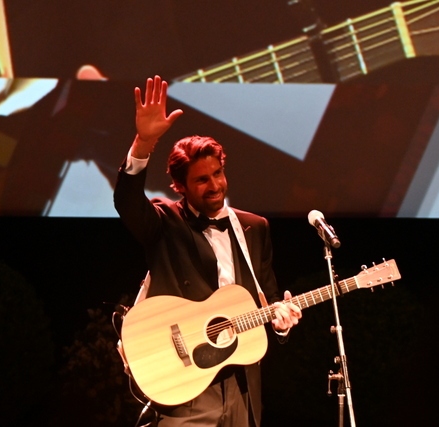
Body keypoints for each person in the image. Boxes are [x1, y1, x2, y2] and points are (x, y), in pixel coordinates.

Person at [114, 75, 302, 427]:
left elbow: (269, 299)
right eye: (202, 180)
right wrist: (144, 143)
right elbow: (127, 202)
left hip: (241, 382)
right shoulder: (165, 222)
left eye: (218, 173)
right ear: (179, 186)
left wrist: (281, 322)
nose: (215, 185)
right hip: (185, 385)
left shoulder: (255, 227)